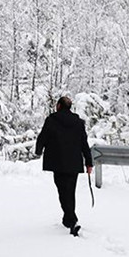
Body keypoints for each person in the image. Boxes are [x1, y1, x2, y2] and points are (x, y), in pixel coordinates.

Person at [36, 95, 93, 236]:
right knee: (70, 192)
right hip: (74, 162)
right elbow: (84, 143)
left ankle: (72, 220)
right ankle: (68, 219)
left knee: (62, 192)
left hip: (57, 162)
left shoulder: (51, 120)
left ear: (59, 106)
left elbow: (43, 137)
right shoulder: (79, 122)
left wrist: (38, 151)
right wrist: (89, 162)